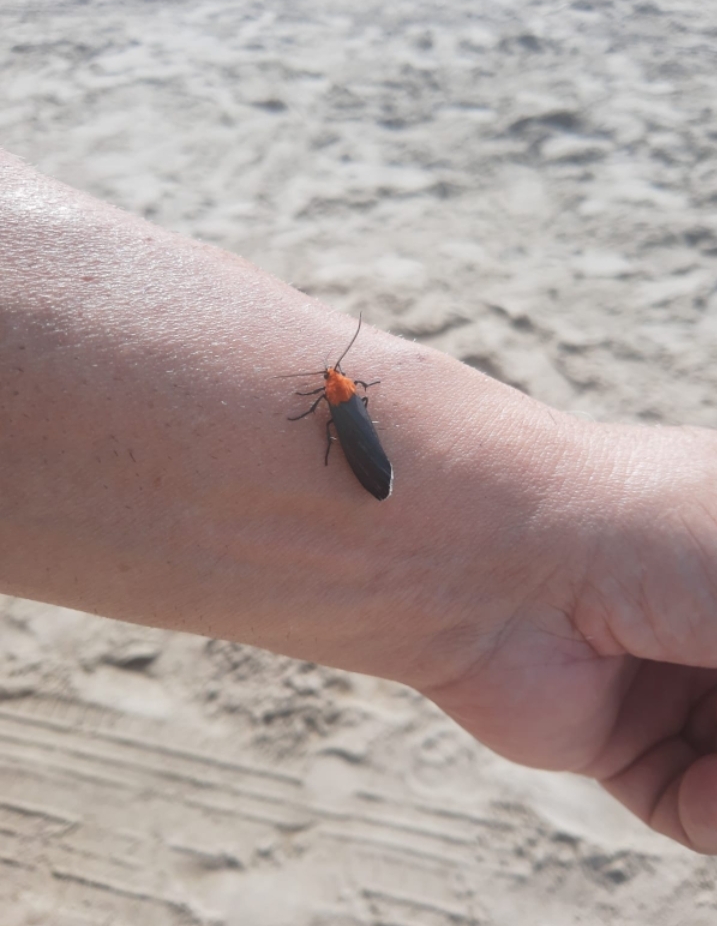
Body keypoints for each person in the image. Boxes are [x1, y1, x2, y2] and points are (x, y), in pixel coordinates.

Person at [2, 148, 717, 854]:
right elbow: (346, 408)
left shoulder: (337, 395)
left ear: (336, 383)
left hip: (360, 436)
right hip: (361, 436)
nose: (334, 379)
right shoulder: (341, 394)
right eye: (333, 378)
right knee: (350, 442)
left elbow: (341, 409)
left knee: (348, 442)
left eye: (334, 378)